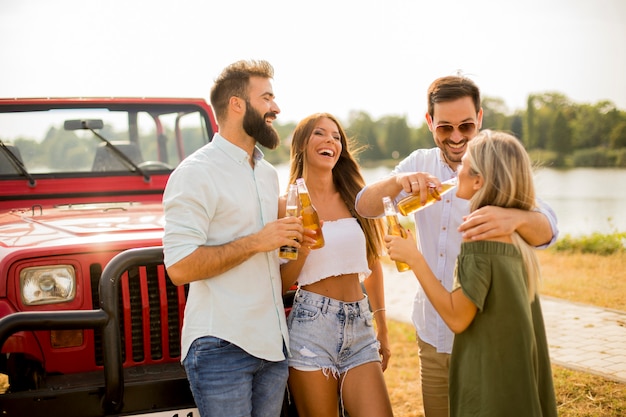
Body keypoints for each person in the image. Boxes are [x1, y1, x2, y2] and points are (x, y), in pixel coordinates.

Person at [355, 75, 559, 417]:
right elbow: (364, 205)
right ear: (430, 122)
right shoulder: (418, 163)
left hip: (482, 336)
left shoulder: (495, 165)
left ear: (479, 118)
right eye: (445, 127)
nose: (456, 137)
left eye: (466, 125)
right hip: (432, 334)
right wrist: (397, 182)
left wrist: (517, 219)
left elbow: (549, 228)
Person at [162, 59, 308, 417]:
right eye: (267, 98)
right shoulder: (195, 174)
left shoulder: (267, 173)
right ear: (237, 104)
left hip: (273, 348)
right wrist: (258, 241)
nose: (276, 108)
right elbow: (179, 268)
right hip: (222, 348)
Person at [280, 113, 394, 417]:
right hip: (311, 327)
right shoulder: (286, 205)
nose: (331, 140)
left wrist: (382, 327)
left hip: (360, 326)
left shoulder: (356, 198)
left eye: (336, 136)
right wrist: (304, 246)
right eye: (320, 133)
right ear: (302, 144)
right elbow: (279, 284)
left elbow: (372, 263)